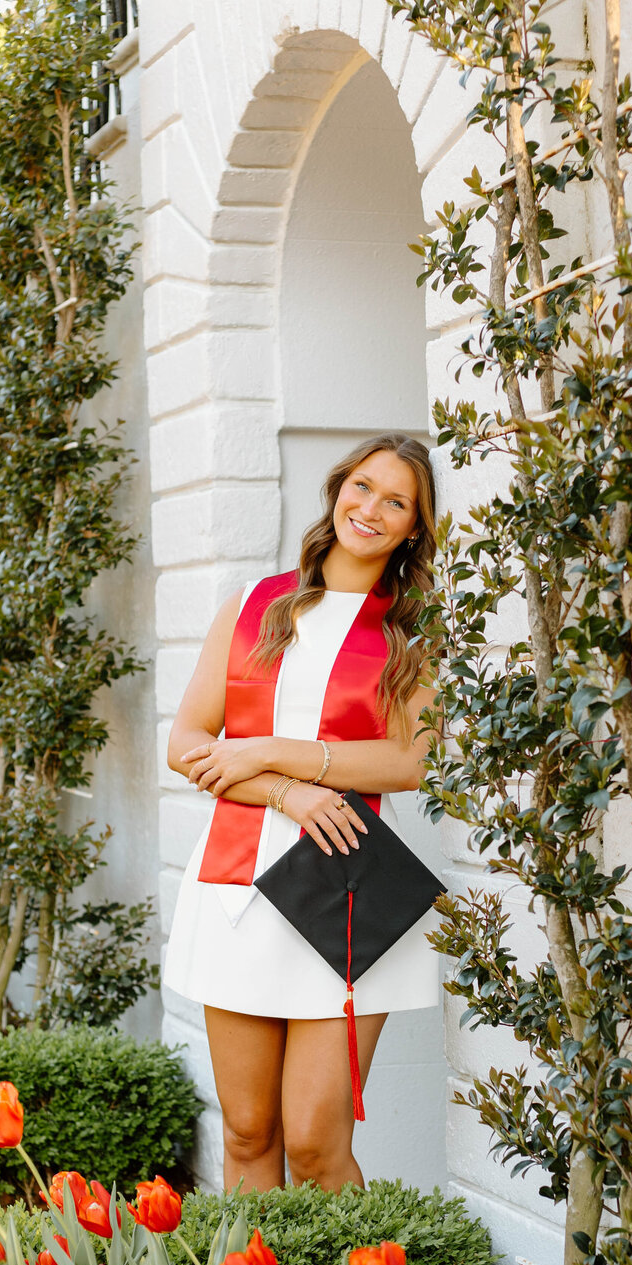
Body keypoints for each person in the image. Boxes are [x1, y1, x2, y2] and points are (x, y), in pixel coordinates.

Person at [164, 433, 440, 1193]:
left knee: (316, 1145)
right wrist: (289, 791)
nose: (371, 509)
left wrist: (275, 751)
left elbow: (411, 761)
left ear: (413, 527)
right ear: (337, 490)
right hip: (236, 890)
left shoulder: (407, 635)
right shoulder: (255, 608)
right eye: (362, 487)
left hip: (340, 894)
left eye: (396, 502)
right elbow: (186, 745)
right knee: (250, 1132)